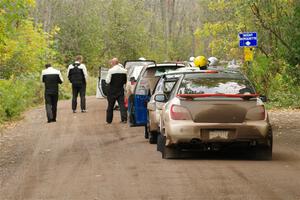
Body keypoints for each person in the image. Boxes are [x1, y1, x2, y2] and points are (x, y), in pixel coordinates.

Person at [105, 58, 127, 124]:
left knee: (110, 106)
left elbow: (107, 81)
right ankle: (124, 119)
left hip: (112, 90)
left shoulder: (111, 70)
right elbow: (125, 81)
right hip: (120, 90)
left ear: (113, 63)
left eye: (111, 62)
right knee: (122, 105)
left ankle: (109, 120)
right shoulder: (124, 71)